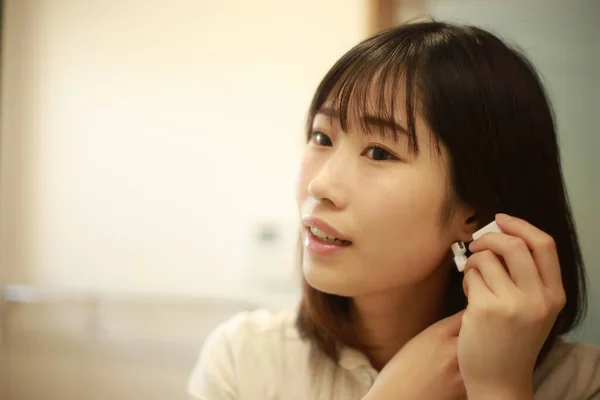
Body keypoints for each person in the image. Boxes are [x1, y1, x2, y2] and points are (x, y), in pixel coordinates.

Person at [188, 21, 600, 400]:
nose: (321, 185)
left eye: (380, 152)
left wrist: (498, 387)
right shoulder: (245, 360)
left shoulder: (578, 383)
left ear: (473, 213)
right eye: (321, 136)